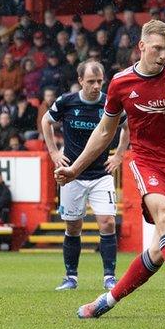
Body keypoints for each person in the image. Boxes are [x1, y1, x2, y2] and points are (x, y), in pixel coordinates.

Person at [54, 20, 165, 318]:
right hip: (149, 163)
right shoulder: (121, 83)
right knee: (164, 218)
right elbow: (104, 132)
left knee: (160, 251)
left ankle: (106, 301)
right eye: (157, 48)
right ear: (142, 46)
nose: (163, 55)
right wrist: (75, 169)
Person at [41, 60, 126, 291]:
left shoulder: (110, 102)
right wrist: (53, 152)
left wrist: (119, 155)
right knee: (73, 227)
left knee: (107, 223)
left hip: (101, 174)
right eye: (91, 81)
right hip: (71, 176)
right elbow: (46, 121)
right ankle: (71, 277)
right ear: (80, 81)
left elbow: (128, 127)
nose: (97, 86)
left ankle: (109, 277)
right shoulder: (67, 102)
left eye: (100, 81)